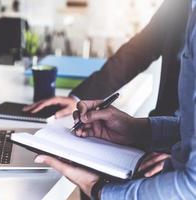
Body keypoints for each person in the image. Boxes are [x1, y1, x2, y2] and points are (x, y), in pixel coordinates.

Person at [33, 0, 196, 198]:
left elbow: (190, 185)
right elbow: (142, 47)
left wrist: (98, 189)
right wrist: (139, 129)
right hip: (171, 136)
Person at [23, 0, 189, 118]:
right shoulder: (180, 4)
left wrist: (187, 153)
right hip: (161, 135)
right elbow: (140, 50)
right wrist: (79, 98)